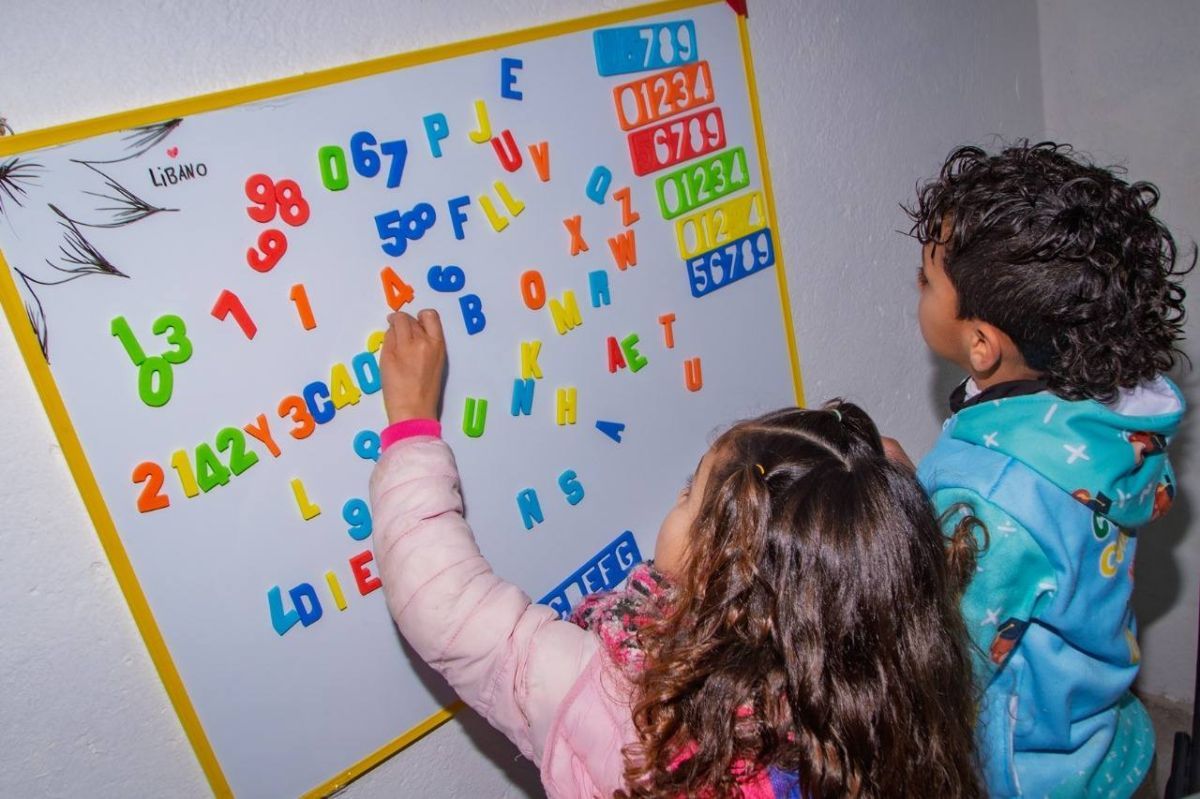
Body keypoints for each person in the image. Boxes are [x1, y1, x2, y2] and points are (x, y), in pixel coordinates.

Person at [369, 308, 983, 798]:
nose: (676, 497)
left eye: (691, 492)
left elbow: (445, 605)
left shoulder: (627, 711)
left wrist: (410, 425)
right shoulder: (884, 706)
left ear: (722, 572)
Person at [906, 141, 1190, 797]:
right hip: (1106, 732)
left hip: (1026, 770)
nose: (918, 289)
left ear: (982, 343)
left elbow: (942, 661)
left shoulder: (988, 497)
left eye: (927, 282)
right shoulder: (1107, 420)